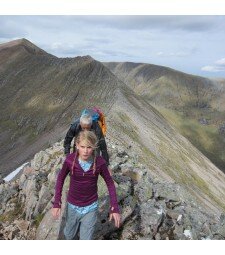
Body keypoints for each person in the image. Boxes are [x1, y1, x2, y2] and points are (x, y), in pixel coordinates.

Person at [52, 130, 121, 240]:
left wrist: (114, 208)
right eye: (82, 146)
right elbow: (60, 179)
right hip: (72, 207)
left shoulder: (100, 162)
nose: (85, 151)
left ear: (94, 147)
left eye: (89, 147)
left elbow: (110, 183)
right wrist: (57, 203)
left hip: (90, 208)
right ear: (77, 145)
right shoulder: (70, 160)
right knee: (69, 235)